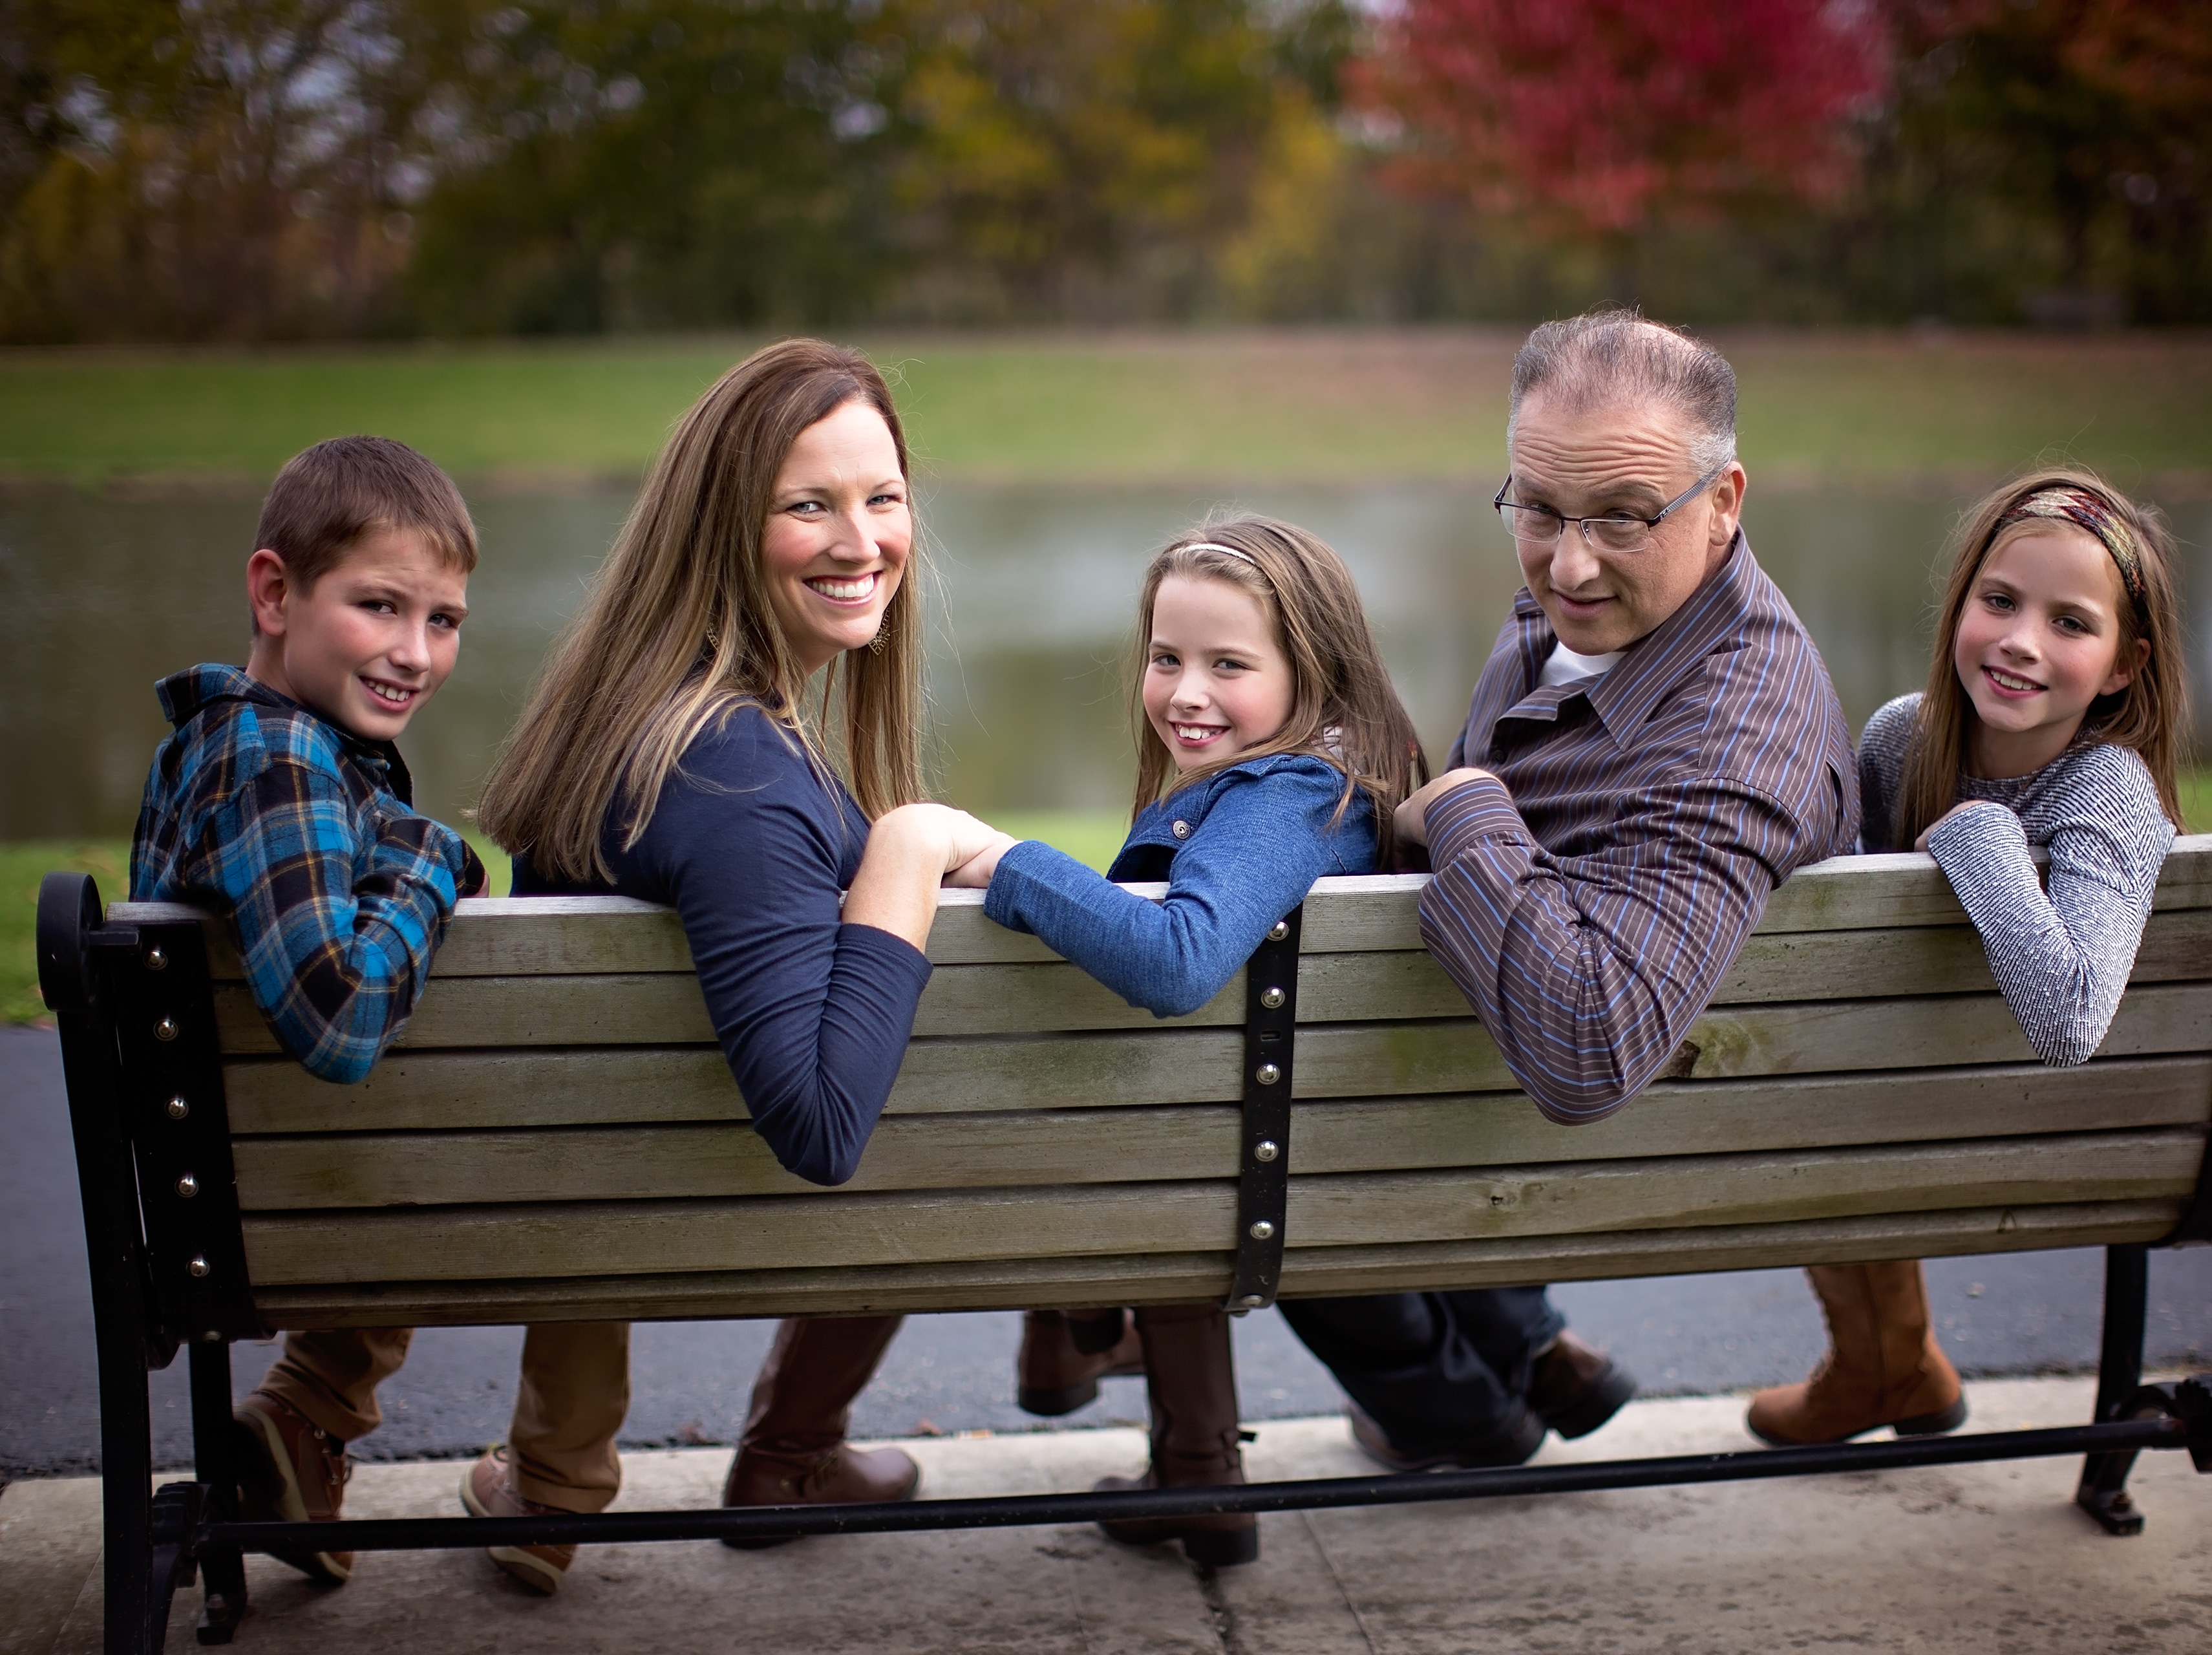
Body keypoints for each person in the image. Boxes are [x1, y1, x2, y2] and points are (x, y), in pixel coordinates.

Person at [466, 339, 1008, 1593]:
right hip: (753, 1205)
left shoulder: (625, 723)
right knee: (932, 1085)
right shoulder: (734, 773)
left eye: (882, 498)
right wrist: (911, 846)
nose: (861, 541)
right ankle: (794, 1447)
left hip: (596, 1189)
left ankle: (563, 1473)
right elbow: (820, 1124)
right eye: (808, 505)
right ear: (723, 528)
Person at [1282, 310, 1861, 1471]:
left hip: (1622, 1155)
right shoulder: (1602, 614)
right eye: (1540, 511)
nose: (1570, 564)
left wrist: (1462, 803)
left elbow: (1591, 1045)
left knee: (1245, 1139)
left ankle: (1454, 1415)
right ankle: (1534, 1347)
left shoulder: (1733, 737)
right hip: (1480, 1109)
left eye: (1623, 518)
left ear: (1725, 501)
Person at [948, 515, 1429, 1564]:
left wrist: (999, 858)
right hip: (1237, 1144)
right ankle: (1154, 1422)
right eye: (1167, 658)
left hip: (1236, 1164)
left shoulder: (1287, 799)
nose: (1185, 693)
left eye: (1229, 665)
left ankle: (1071, 1345)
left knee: (955, 1124)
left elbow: (1179, 959)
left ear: (1316, 669)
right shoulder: (1322, 778)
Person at [1745, 467, 2188, 1446]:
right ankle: (1889, 1363)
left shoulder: (2110, 789)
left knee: (1799, 1103)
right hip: (1913, 1113)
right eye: (2000, 601)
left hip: (2047, 1140)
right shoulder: (1901, 740)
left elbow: (2070, 1020)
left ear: (2125, 666)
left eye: (2070, 623)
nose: (2022, 641)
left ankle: (1886, 1363)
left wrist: (1979, 836)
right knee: (1820, 1077)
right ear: (1959, 606)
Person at [129, 436, 489, 1585]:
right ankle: (550, 1484)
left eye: (444, 620)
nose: (415, 653)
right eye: (380, 606)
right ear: (275, 593)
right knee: (546, 1137)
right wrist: (428, 858)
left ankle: (306, 1425)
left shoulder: (219, 745)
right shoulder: (280, 761)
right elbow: (339, 1019)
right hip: (275, 1214)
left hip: (213, 1205)